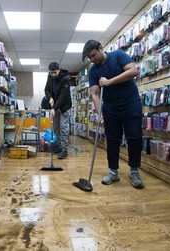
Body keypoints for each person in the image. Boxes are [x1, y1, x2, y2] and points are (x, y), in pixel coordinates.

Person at [82, 40, 144, 188]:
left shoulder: (118, 55)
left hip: (130, 103)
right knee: (113, 140)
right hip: (110, 107)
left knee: (134, 137)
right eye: (89, 58)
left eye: (93, 55)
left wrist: (110, 82)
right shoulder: (93, 70)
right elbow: (95, 94)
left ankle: (134, 171)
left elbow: (133, 71)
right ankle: (113, 172)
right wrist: (100, 113)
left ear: (100, 48)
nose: (92, 59)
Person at [44, 62, 72, 159]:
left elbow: (63, 96)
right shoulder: (50, 77)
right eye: (51, 73)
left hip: (64, 106)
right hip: (55, 106)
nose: (53, 75)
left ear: (59, 70)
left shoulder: (65, 79)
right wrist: (50, 98)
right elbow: (46, 89)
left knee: (63, 128)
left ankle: (64, 150)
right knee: (56, 128)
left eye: (55, 72)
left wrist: (54, 108)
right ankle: (60, 146)